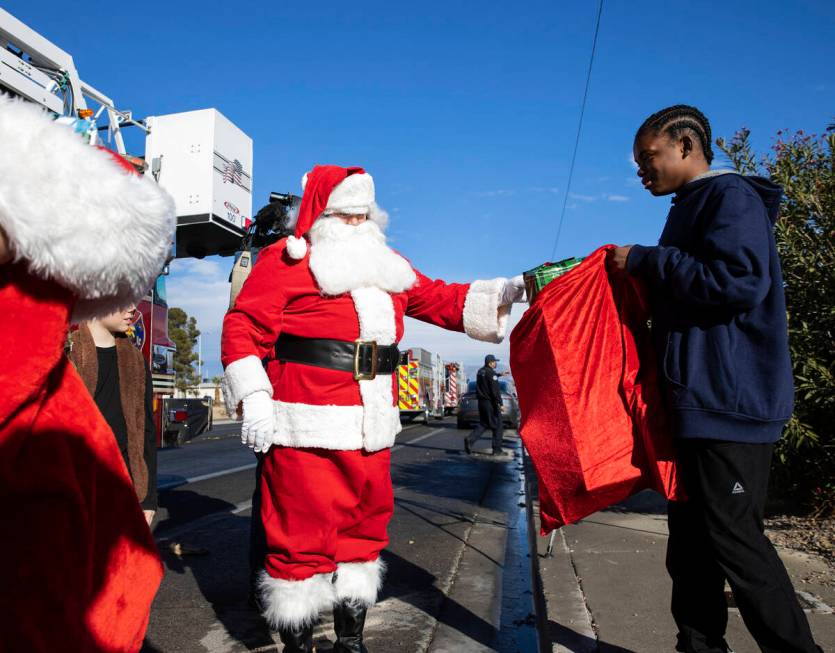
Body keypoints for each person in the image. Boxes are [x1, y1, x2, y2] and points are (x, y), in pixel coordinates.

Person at [221, 164, 526, 652]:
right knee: (298, 536)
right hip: (305, 421)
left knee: (364, 532)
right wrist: (254, 396)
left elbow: (443, 299)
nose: (358, 226)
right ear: (321, 214)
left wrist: (510, 289)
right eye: (347, 216)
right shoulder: (288, 259)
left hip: (371, 424)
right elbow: (242, 327)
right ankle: (297, 647)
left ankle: (350, 641)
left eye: (365, 216)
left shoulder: (389, 265)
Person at [611, 104, 821, 653]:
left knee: (735, 540)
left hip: (731, 403)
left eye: (648, 157)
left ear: (685, 145)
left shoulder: (730, 198)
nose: (641, 170)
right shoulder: (691, 206)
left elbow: (738, 280)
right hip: (697, 401)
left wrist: (647, 261)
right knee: (690, 546)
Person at [0, 96, 174, 651]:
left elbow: (139, 434)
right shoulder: (59, 352)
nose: (133, 308)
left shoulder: (124, 358)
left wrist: (143, 496)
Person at [68, 307, 158, 527]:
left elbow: (146, 431)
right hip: (74, 484)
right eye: (124, 298)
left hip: (124, 484)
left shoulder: (136, 361)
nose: (133, 308)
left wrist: (149, 501)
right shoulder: (66, 356)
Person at [463, 354, 505, 455]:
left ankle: (470, 439)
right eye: (494, 362)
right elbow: (495, 390)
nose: (496, 363)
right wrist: (500, 403)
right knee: (498, 425)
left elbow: (488, 377)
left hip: (481, 402)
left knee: (484, 423)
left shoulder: (480, 371)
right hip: (490, 403)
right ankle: (497, 450)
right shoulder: (491, 374)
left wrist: (499, 374)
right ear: (490, 363)